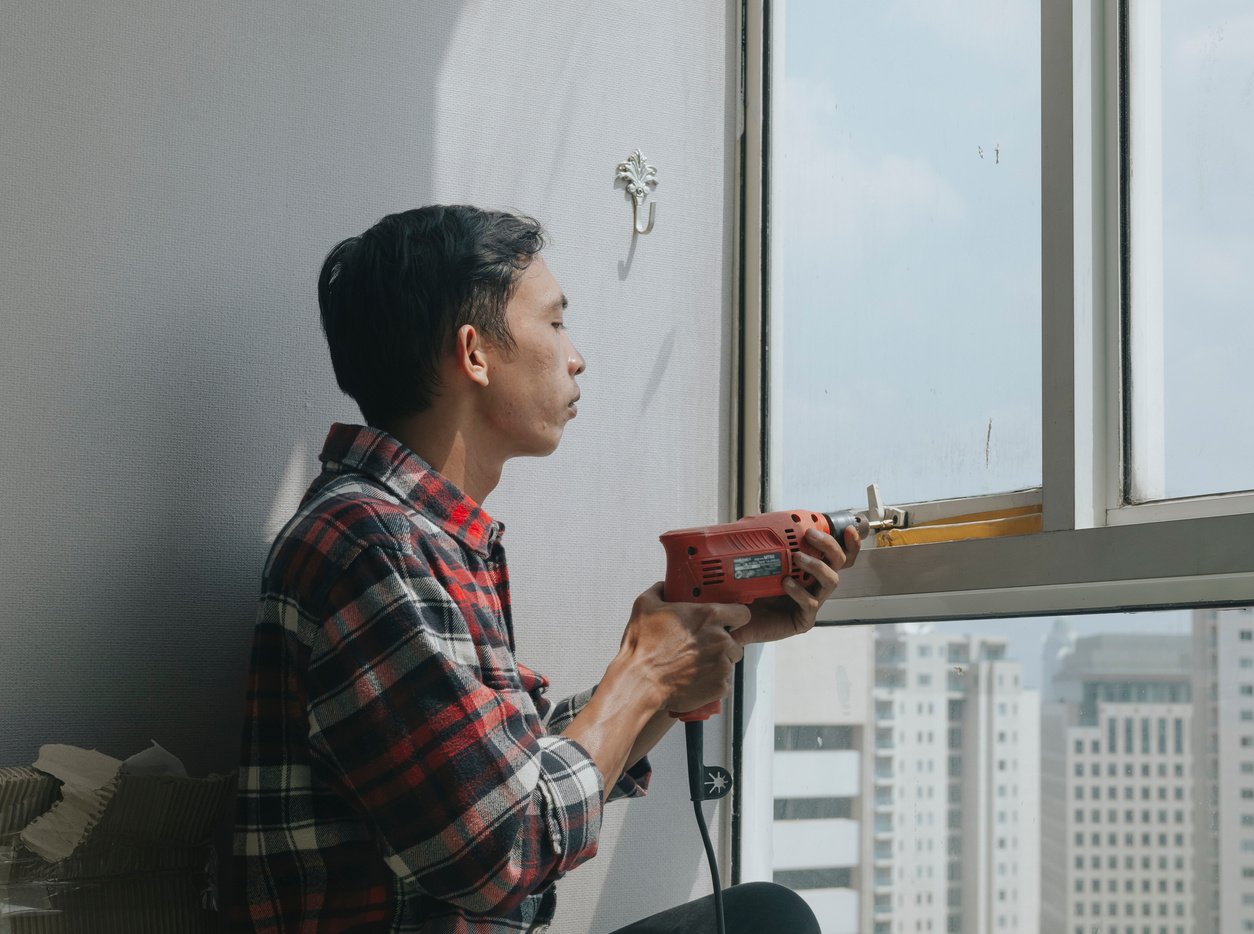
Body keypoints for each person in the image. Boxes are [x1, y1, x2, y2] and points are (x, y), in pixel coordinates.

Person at [231, 205, 859, 933]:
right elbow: (502, 851)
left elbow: (511, 775)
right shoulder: (368, 541)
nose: (575, 355)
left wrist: (711, 642)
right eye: (556, 322)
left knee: (761, 914)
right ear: (475, 353)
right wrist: (642, 673)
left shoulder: (425, 537)